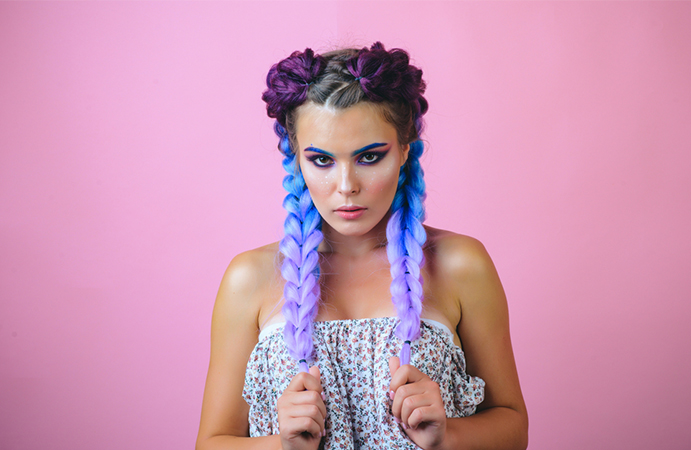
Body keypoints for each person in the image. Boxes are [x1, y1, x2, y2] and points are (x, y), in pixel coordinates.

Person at [196, 42, 528, 450]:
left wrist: (447, 436)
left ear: (405, 149)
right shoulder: (250, 278)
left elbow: (513, 427)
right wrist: (281, 446)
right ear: (295, 158)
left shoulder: (459, 265)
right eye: (321, 160)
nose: (347, 185)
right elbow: (211, 442)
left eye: (369, 157)